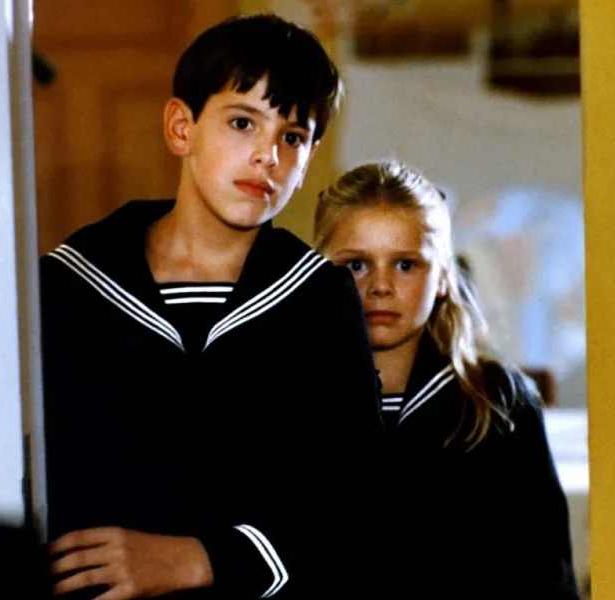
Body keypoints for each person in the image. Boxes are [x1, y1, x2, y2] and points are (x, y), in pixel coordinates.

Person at [40, 13, 382, 600]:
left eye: (292, 137)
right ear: (182, 127)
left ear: (309, 158)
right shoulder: (68, 285)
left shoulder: (320, 301)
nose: (268, 156)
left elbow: (353, 513)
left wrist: (201, 558)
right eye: (243, 123)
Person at [314, 160, 580, 599]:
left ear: (442, 276)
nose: (380, 285)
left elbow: (546, 579)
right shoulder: (284, 397)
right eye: (356, 264)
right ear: (318, 271)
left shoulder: (499, 402)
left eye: (405, 265)